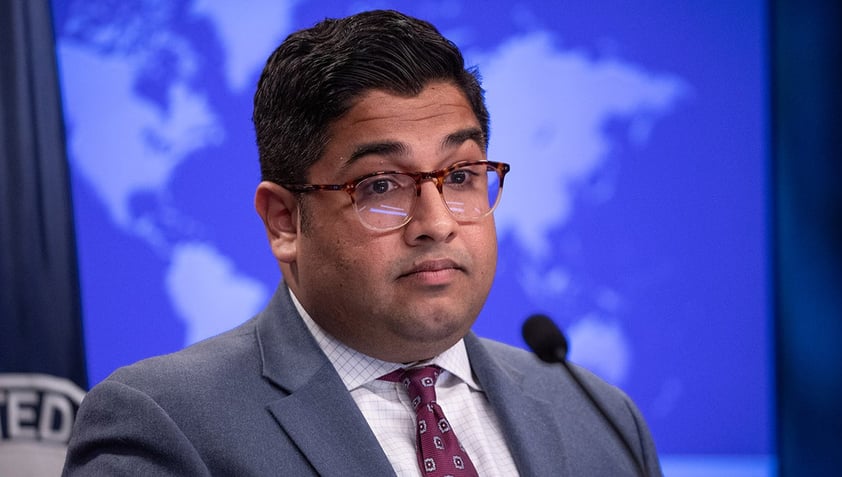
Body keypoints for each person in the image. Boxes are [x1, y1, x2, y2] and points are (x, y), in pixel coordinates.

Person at [63, 9, 662, 476]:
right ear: (284, 221)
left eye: (460, 176)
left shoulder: (601, 419)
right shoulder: (166, 424)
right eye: (380, 185)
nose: (437, 223)